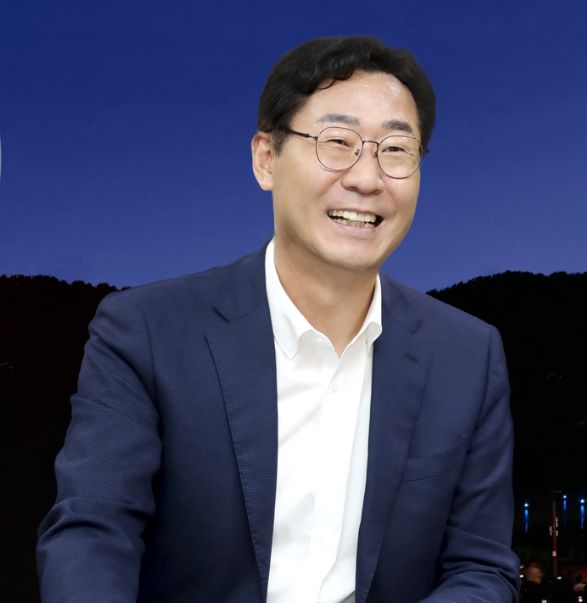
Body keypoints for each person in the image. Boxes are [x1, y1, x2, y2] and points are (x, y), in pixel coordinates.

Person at [37, 36, 519, 601]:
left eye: (395, 149)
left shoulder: (468, 356)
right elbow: (92, 533)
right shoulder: (145, 332)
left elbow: (481, 568)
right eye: (337, 142)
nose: (367, 179)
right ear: (266, 158)